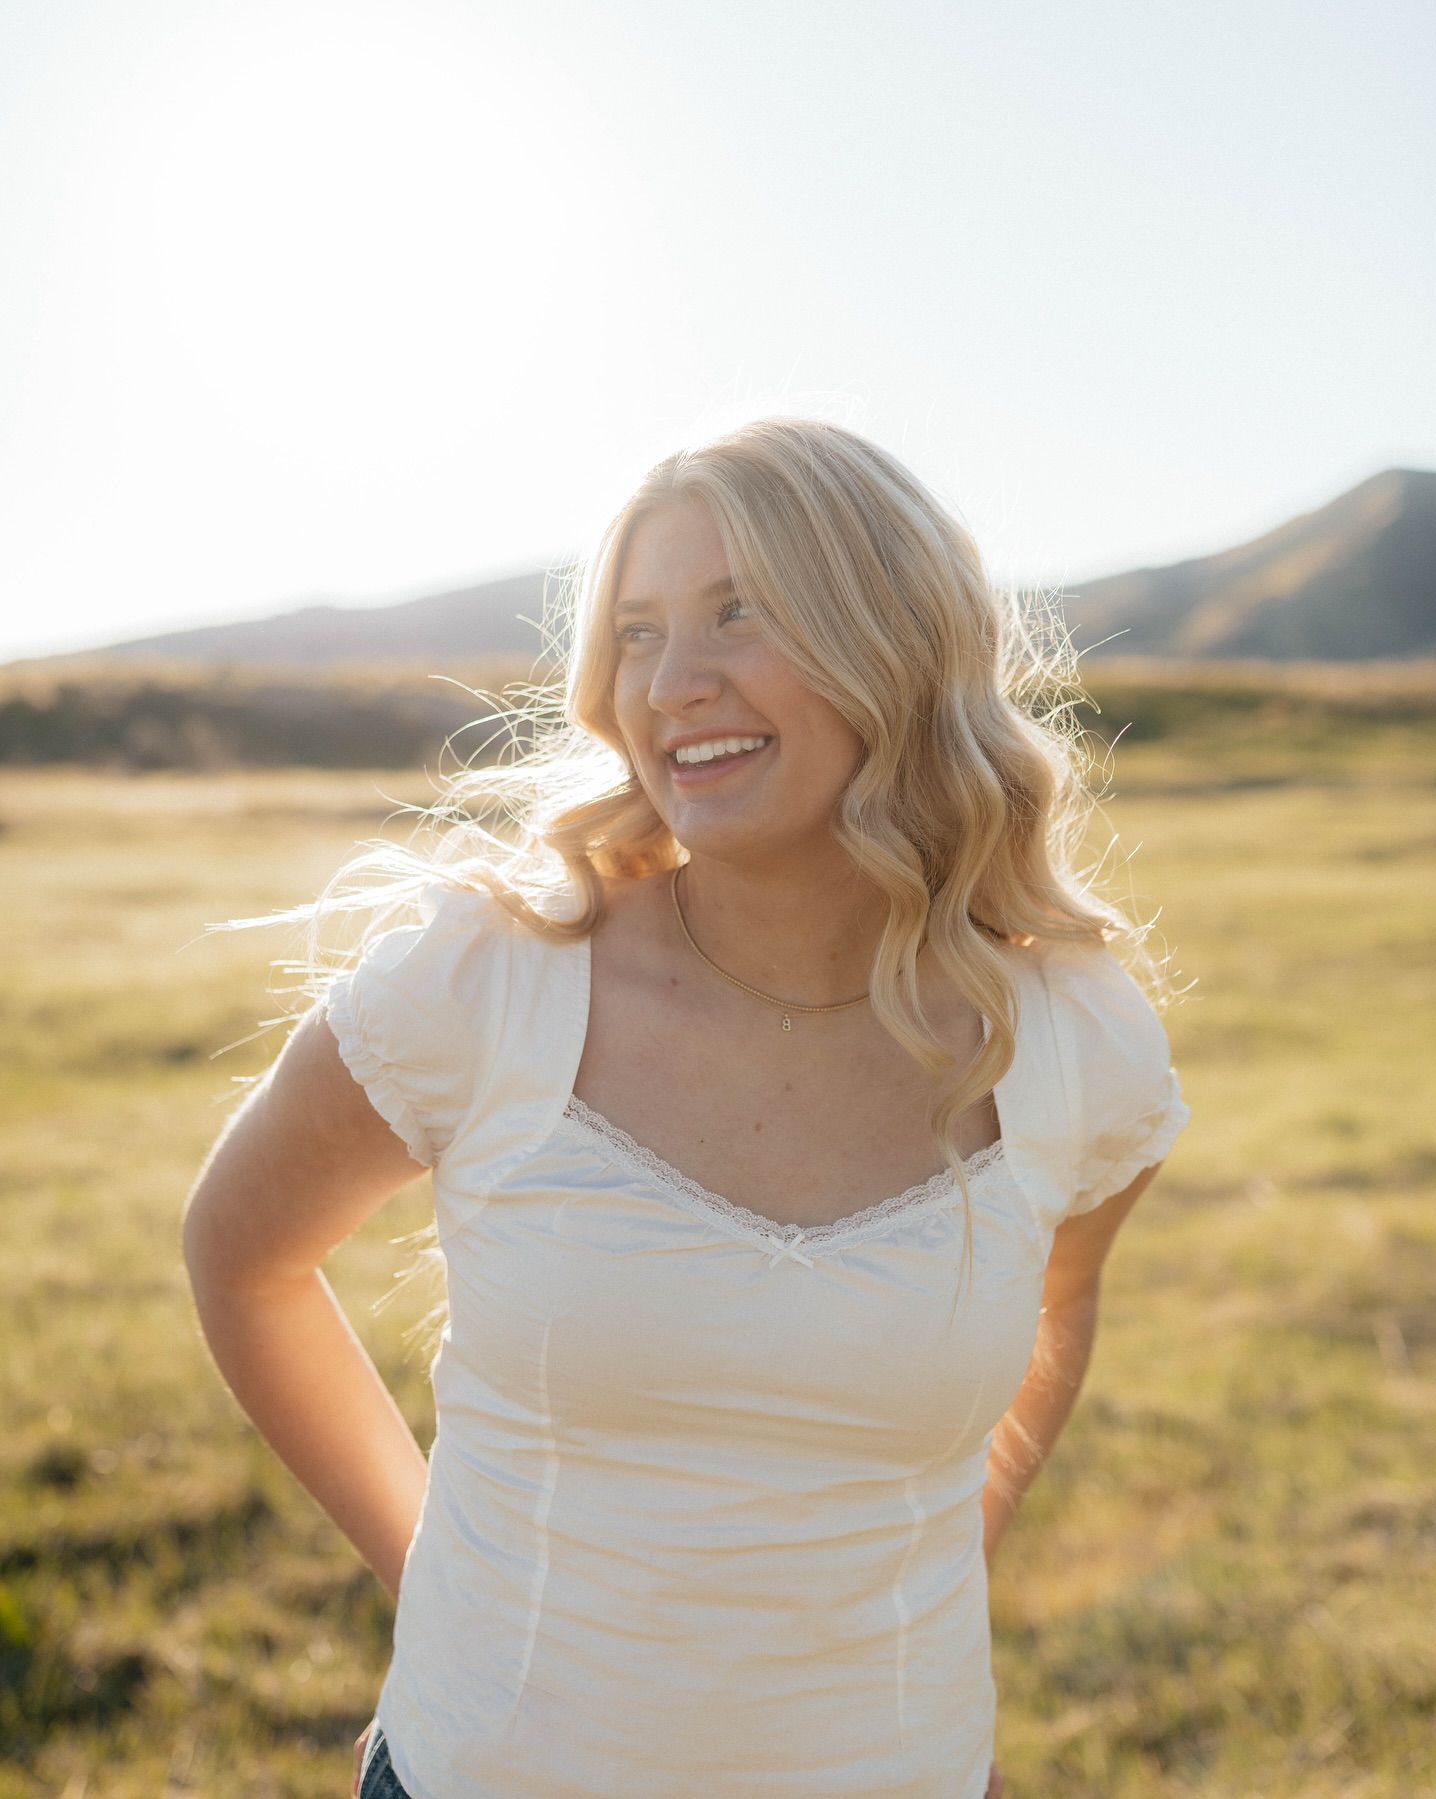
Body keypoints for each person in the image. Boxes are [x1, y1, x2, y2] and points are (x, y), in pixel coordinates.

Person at [183, 418, 1188, 1799]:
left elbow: (1056, 1307)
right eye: (639, 633)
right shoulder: (490, 977)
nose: (673, 684)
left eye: (742, 612)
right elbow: (246, 1257)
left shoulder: (1078, 1044)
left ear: (893, 640)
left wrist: (953, 1542)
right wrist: (434, 1584)